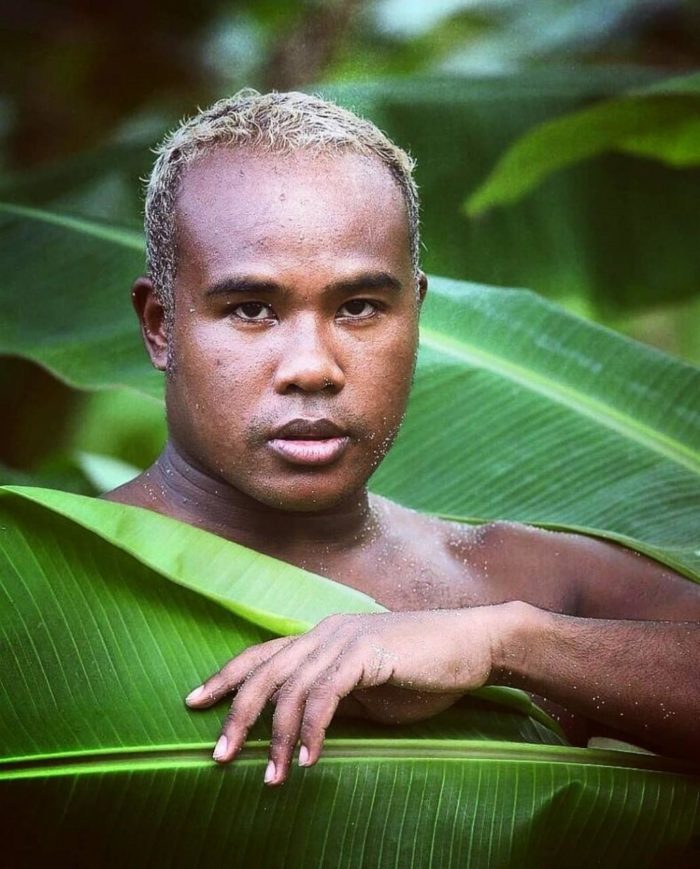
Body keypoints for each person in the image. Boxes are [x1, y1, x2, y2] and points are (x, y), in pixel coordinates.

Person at [106, 89, 700, 786]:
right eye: (251, 309)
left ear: (414, 313)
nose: (313, 368)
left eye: (359, 306)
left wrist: (511, 643)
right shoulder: (38, 574)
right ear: (160, 325)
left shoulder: (525, 580)